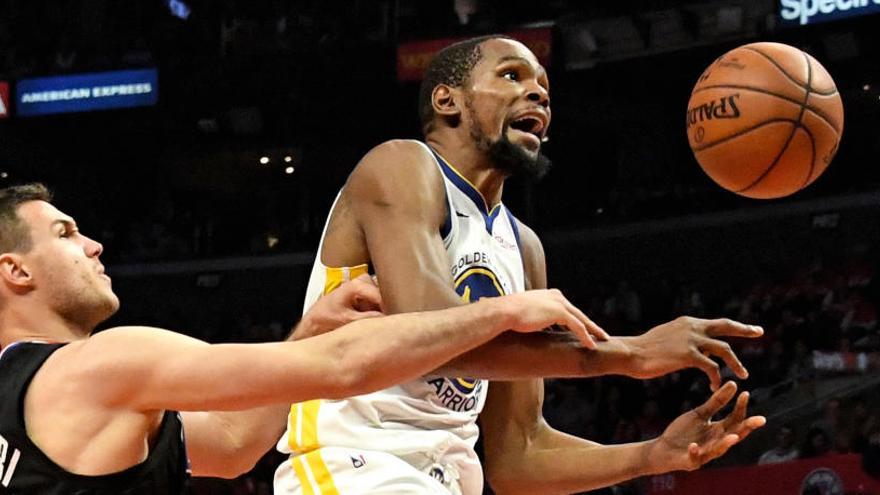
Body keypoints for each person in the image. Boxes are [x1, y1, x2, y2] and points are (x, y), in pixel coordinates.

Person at [275, 35, 765, 494]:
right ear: (448, 101)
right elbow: (427, 336)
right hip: (352, 467)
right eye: (512, 76)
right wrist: (632, 354)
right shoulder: (401, 165)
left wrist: (652, 455)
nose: (538, 94)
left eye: (544, 87)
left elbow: (519, 457)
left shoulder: (523, 244)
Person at [0, 183, 597, 493]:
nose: (92, 245)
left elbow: (231, 447)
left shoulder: (32, 392)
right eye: (65, 233)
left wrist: (308, 329)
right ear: (16, 270)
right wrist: (502, 310)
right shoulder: (101, 364)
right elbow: (343, 369)